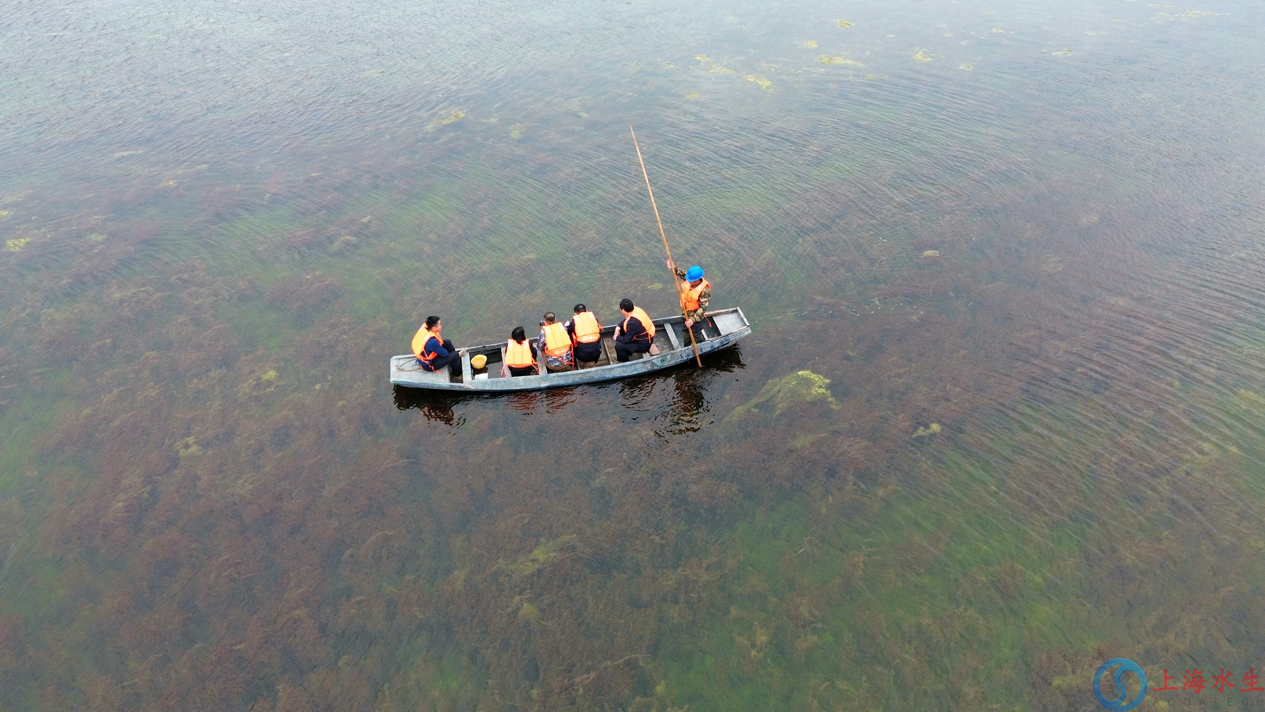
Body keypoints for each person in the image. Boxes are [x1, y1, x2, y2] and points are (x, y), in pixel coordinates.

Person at [668, 259, 711, 342]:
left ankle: (699, 347)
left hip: (696, 316)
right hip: (686, 312)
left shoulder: (704, 291)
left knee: (696, 333)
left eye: (691, 281)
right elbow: (683, 274)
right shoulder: (690, 279)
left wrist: (692, 320)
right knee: (685, 330)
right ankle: (686, 347)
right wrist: (673, 268)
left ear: (697, 280)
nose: (689, 282)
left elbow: (703, 307)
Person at [613, 298, 656, 362]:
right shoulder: (635, 310)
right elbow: (626, 320)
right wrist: (618, 327)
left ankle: (625, 363)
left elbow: (627, 340)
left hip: (643, 345)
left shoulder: (633, 322)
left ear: (623, 310)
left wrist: (616, 337)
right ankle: (628, 351)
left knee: (619, 346)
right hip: (646, 338)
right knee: (621, 330)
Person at [566, 304, 603, 368]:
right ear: (586, 311)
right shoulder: (594, 318)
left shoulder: (574, 321)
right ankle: (594, 360)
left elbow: (568, 331)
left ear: (575, 313)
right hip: (596, 354)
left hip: (581, 356)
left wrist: (567, 325)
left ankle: (573, 364)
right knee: (597, 336)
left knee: (570, 339)